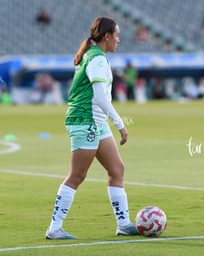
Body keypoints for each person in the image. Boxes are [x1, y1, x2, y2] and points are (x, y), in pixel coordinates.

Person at [45, 17, 139, 240]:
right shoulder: (97, 59)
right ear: (106, 36)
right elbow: (99, 97)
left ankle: (123, 224)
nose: (118, 39)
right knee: (77, 175)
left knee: (117, 169)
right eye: (116, 35)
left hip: (96, 122)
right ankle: (54, 228)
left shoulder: (97, 57)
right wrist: (120, 124)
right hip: (85, 120)